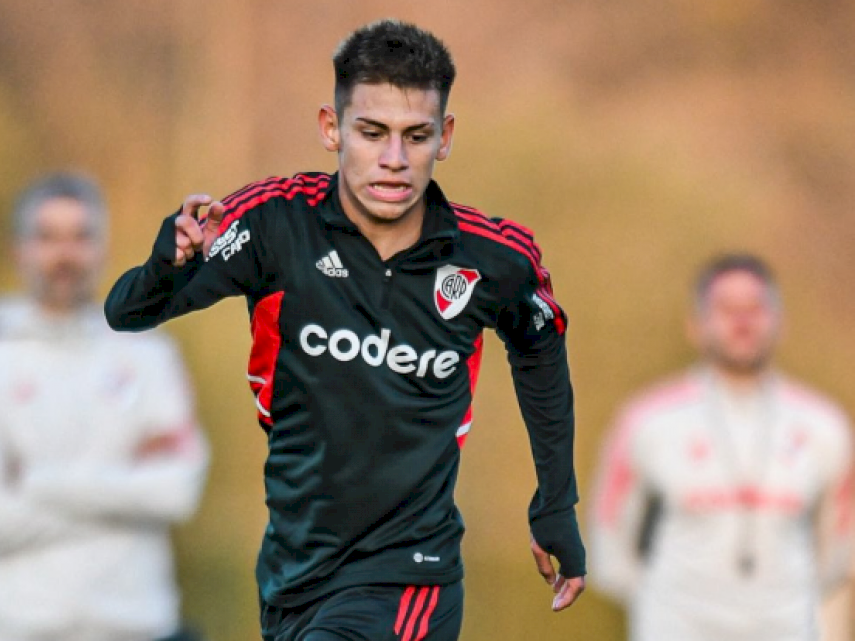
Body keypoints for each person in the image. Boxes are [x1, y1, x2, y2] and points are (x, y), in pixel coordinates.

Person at [104, 18, 585, 641]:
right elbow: (127, 313)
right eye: (372, 132)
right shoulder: (274, 223)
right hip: (291, 571)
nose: (393, 159)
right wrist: (167, 263)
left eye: (416, 135)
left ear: (445, 137)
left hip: (410, 576)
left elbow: (541, 352)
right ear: (331, 128)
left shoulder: (494, 258)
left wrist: (555, 504)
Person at [0, 173, 210, 641]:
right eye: (47, 237)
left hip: (137, 625)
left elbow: (178, 490)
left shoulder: (150, 356)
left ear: (102, 246)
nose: (64, 254)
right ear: (17, 248)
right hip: (12, 627)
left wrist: (38, 480)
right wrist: (123, 478)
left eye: (80, 236)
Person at [590, 254, 854, 641]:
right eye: (727, 309)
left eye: (755, 308)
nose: (742, 321)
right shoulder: (649, 420)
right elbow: (609, 535)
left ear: (779, 322)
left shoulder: (823, 425)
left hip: (785, 626)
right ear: (696, 326)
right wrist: (660, 601)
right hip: (676, 626)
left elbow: (840, 540)